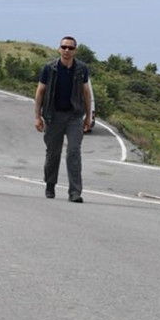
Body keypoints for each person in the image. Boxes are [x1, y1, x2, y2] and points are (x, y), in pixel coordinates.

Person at [34, 36, 92, 203]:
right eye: (64, 47)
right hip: (53, 115)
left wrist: (88, 116)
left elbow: (86, 93)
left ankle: (75, 192)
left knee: (74, 152)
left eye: (70, 48)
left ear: (75, 50)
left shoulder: (81, 69)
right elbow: (40, 92)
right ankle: (50, 184)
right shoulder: (49, 68)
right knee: (53, 153)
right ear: (59, 49)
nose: (67, 50)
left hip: (74, 116)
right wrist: (37, 117)